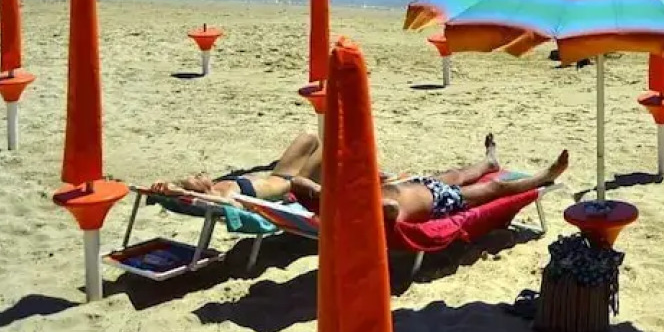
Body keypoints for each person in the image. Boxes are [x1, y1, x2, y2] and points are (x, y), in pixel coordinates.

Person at [290, 133, 568, 225]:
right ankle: (545, 176)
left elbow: (296, 183)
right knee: (495, 187)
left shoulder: (334, 198)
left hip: (417, 183)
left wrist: (320, 191)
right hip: (439, 202)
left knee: (459, 173)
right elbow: (390, 209)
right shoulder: (360, 213)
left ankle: (489, 160)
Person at [148, 130, 322, 201]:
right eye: (194, 179)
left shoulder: (217, 186)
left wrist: (163, 186)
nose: (199, 174)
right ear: (198, 190)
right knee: (331, 144)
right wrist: (186, 193)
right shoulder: (224, 196)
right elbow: (228, 205)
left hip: (279, 175)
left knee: (310, 136)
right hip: (296, 185)